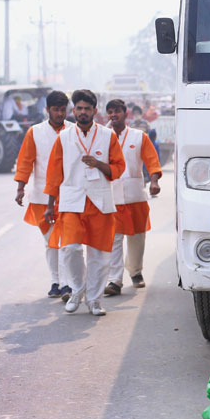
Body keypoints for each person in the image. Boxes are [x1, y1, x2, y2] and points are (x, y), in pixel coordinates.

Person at [43, 90, 126, 316]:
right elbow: (53, 174)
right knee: (69, 249)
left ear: (94, 111)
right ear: (74, 111)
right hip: (72, 201)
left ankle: (95, 300)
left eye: (86, 109)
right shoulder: (64, 137)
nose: (82, 112)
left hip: (99, 200)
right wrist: (50, 205)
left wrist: (99, 164)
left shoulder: (108, 136)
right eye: (78, 108)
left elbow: (119, 168)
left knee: (100, 255)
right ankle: (77, 291)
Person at [15, 90, 72, 301]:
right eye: (56, 109)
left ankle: (68, 283)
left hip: (69, 195)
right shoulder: (35, 132)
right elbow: (25, 162)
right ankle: (56, 281)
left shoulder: (74, 131)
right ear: (47, 110)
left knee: (67, 240)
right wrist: (20, 188)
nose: (59, 113)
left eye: (63, 109)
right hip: (41, 196)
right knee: (50, 242)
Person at [102, 99, 162, 295]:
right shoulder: (102, 137)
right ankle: (114, 280)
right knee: (114, 238)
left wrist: (154, 181)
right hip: (111, 195)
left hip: (135, 194)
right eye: (110, 112)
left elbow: (152, 160)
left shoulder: (139, 136)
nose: (113, 115)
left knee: (137, 237)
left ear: (125, 113)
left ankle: (135, 272)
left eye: (117, 111)